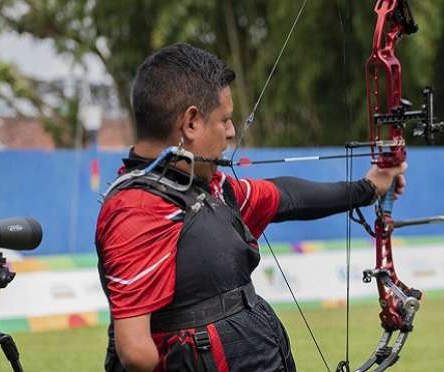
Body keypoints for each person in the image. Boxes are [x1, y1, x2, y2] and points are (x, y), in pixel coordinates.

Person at [95, 43, 406, 372]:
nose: (231, 132)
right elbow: (135, 351)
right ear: (190, 123)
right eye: (225, 120)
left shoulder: (209, 189)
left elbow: (285, 196)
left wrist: (369, 187)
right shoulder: (137, 210)